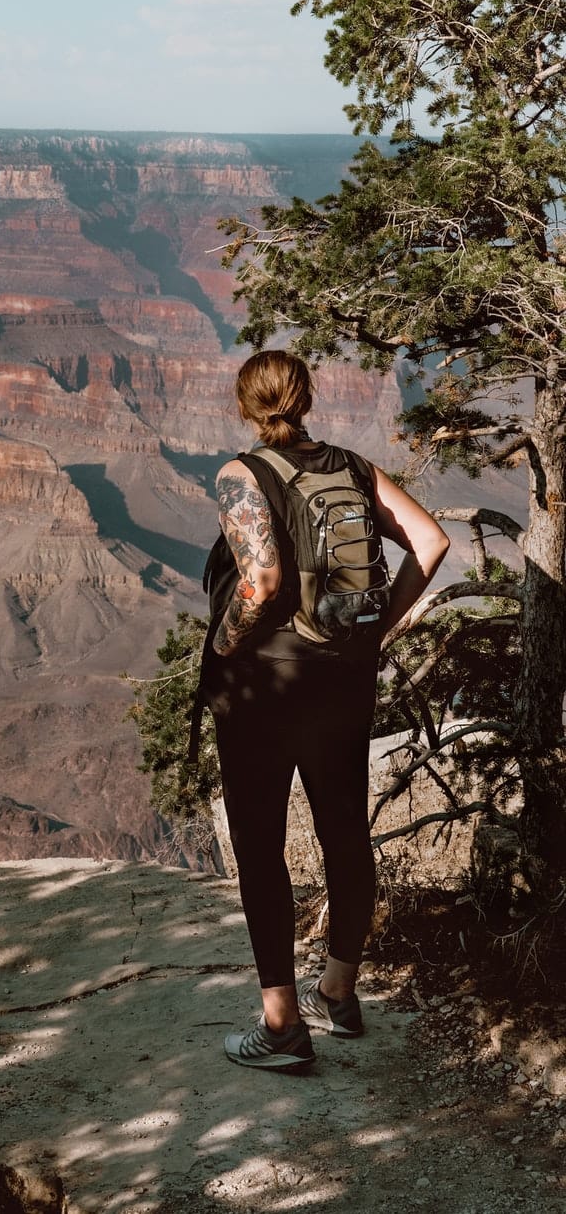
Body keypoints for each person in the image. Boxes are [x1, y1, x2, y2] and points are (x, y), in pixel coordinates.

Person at [208, 349, 450, 1072]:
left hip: (265, 689)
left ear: (245, 407)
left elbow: (261, 581)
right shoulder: (352, 466)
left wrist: (223, 648)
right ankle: (339, 994)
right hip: (343, 679)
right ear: (307, 399)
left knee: (261, 846)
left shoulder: (239, 475)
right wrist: (378, 630)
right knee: (344, 834)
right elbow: (432, 541)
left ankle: (281, 1026)